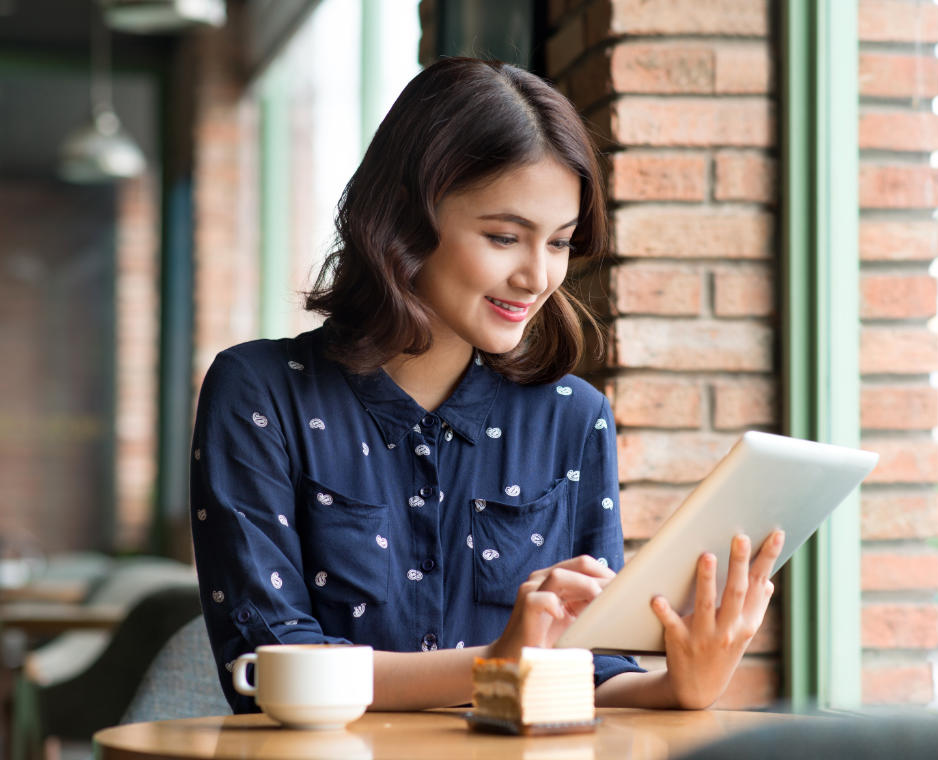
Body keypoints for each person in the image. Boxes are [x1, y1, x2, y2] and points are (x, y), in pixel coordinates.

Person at [190, 57, 785, 713]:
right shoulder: (259, 394)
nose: (537, 277)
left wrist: (678, 684)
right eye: (505, 237)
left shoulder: (572, 418)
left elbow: (591, 662)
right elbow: (265, 669)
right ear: (404, 223)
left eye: (558, 243)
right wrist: (497, 665)